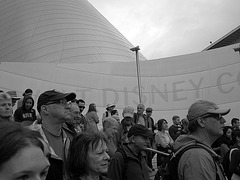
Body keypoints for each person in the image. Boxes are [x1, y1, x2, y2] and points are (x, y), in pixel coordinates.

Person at [174, 100, 230, 180]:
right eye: (218, 116)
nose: (223, 120)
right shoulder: (197, 157)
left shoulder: (198, 153)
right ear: (201, 121)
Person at [31, 89, 76, 180]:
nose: (68, 107)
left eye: (67, 103)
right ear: (45, 109)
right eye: (61, 103)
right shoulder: (28, 138)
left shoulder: (72, 138)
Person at [145, 107, 156, 171]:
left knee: (151, 152)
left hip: (151, 136)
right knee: (149, 152)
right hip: (147, 137)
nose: (149, 113)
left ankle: (150, 165)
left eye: (150, 112)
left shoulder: (151, 119)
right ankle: (149, 165)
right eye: (148, 112)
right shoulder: (145, 118)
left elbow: (152, 127)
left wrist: (155, 126)